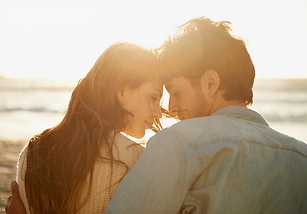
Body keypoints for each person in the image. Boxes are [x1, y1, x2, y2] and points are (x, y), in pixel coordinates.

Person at [103, 17, 307, 213]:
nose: (171, 108)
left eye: (175, 92)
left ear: (210, 83)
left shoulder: (179, 143)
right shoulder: (301, 158)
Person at [6, 42, 163, 214]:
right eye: (153, 97)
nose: (158, 113)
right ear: (122, 90)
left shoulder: (32, 152)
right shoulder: (138, 159)